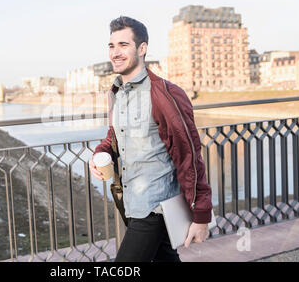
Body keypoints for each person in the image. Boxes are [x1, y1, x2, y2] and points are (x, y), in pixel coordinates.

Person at [89, 16, 213, 262]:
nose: (116, 52)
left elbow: (189, 155)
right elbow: (116, 135)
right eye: (112, 46)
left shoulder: (165, 94)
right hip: (132, 201)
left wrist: (201, 215)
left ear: (142, 49)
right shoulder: (117, 92)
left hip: (155, 206)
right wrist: (100, 153)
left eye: (124, 45)